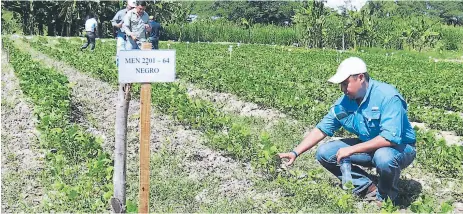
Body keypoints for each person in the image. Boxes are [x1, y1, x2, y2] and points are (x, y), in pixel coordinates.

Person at [278, 57, 417, 206]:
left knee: (384, 157)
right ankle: (368, 187)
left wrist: (351, 150)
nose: (343, 89)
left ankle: (386, 198)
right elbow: (321, 129)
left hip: (399, 148)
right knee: (325, 153)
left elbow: (389, 138)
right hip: (369, 145)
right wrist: (295, 152)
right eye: (341, 85)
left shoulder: (388, 96)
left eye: (345, 83)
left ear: (361, 78)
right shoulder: (344, 102)